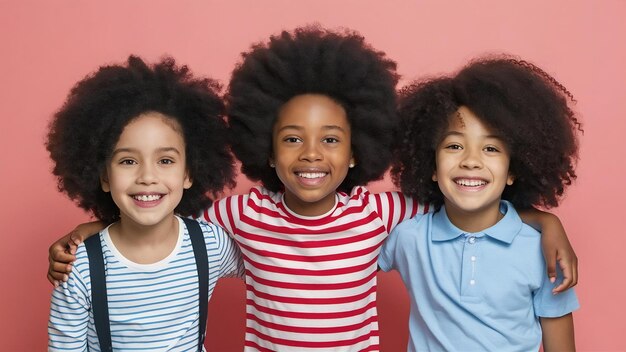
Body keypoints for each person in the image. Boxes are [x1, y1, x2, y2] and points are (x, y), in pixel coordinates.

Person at [47, 27, 578, 351]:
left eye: (330, 140)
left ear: (355, 152)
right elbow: (158, 218)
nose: (311, 154)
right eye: (292, 139)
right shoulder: (238, 216)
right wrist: (95, 228)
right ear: (265, 149)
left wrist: (544, 221)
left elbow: (467, 205)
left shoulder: (383, 214)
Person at [379, 56, 581, 351]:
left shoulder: (545, 251)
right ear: (430, 165)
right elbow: (336, 247)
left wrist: (548, 222)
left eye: (490, 148)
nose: (471, 161)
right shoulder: (408, 237)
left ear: (514, 170)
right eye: (454, 146)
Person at [46, 56, 243, 351]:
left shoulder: (209, 244)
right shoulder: (80, 267)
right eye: (128, 161)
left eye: (165, 160)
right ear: (104, 177)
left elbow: (271, 263)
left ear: (189, 173)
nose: (147, 176)